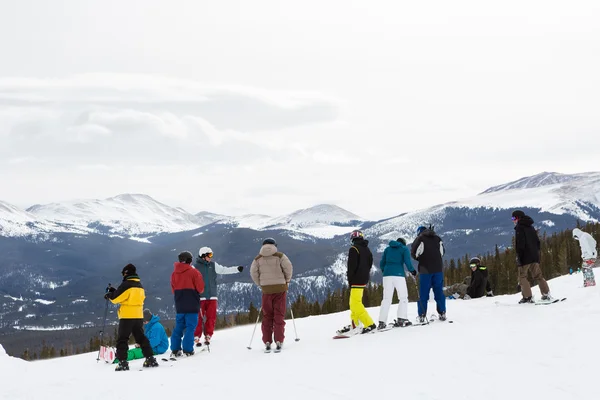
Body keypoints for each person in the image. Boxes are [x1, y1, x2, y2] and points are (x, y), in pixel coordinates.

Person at [104, 263, 158, 371]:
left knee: (122, 339)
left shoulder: (126, 284)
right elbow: (132, 297)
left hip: (127, 316)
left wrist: (109, 295)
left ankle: (123, 362)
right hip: (138, 315)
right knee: (141, 337)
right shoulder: (140, 285)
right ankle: (150, 358)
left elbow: (116, 298)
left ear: (126, 273)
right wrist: (116, 291)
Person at [193, 246, 244, 347]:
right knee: (198, 318)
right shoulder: (195, 268)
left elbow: (224, 270)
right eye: (209, 255)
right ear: (203, 256)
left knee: (211, 317)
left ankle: (208, 335)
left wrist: (236, 269)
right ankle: (196, 336)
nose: (211, 257)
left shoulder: (213, 265)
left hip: (212, 296)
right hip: (200, 297)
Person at [250, 238, 293, 352]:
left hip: (266, 290)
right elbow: (288, 268)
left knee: (267, 316)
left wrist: (260, 284)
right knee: (279, 315)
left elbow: (253, 273)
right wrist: (286, 281)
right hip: (280, 288)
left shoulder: (257, 259)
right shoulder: (280, 256)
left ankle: (267, 341)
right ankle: (279, 340)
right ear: (274, 245)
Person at [336, 230, 377, 335]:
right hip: (364, 278)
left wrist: (350, 279)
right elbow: (370, 263)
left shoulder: (353, 249)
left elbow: (351, 267)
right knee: (353, 303)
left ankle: (370, 324)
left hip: (356, 280)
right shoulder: (367, 249)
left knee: (356, 304)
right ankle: (355, 324)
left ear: (353, 239)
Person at [170, 251, 205, 357]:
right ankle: (188, 349)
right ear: (189, 260)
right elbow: (200, 288)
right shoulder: (194, 272)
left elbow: (173, 290)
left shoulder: (174, 273)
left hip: (180, 304)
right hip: (192, 303)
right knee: (190, 327)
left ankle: (175, 349)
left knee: (179, 327)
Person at [512, 210, 551, 303]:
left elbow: (520, 244)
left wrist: (519, 256)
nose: (512, 220)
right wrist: (536, 253)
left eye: (513, 218)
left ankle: (527, 297)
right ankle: (546, 294)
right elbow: (538, 242)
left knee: (522, 277)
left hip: (525, 257)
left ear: (518, 218)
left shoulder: (519, 228)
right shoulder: (530, 227)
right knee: (538, 276)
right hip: (534, 256)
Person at [377, 238, 416, 329]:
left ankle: (382, 322)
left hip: (387, 275)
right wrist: (412, 271)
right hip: (398, 275)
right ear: (403, 243)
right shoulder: (404, 249)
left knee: (386, 299)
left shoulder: (387, 249)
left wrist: (385, 271)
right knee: (403, 297)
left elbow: (382, 263)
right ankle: (401, 319)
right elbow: (407, 261)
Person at [411, 225, 446, 322]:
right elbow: (442, 252)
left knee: (424, 293)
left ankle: (422, 315)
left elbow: (413, 252)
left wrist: (420, 259)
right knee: (439, 292)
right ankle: (442, 313)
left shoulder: (420, 239)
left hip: (425, 270)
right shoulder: (437, 238)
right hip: (438, 269)